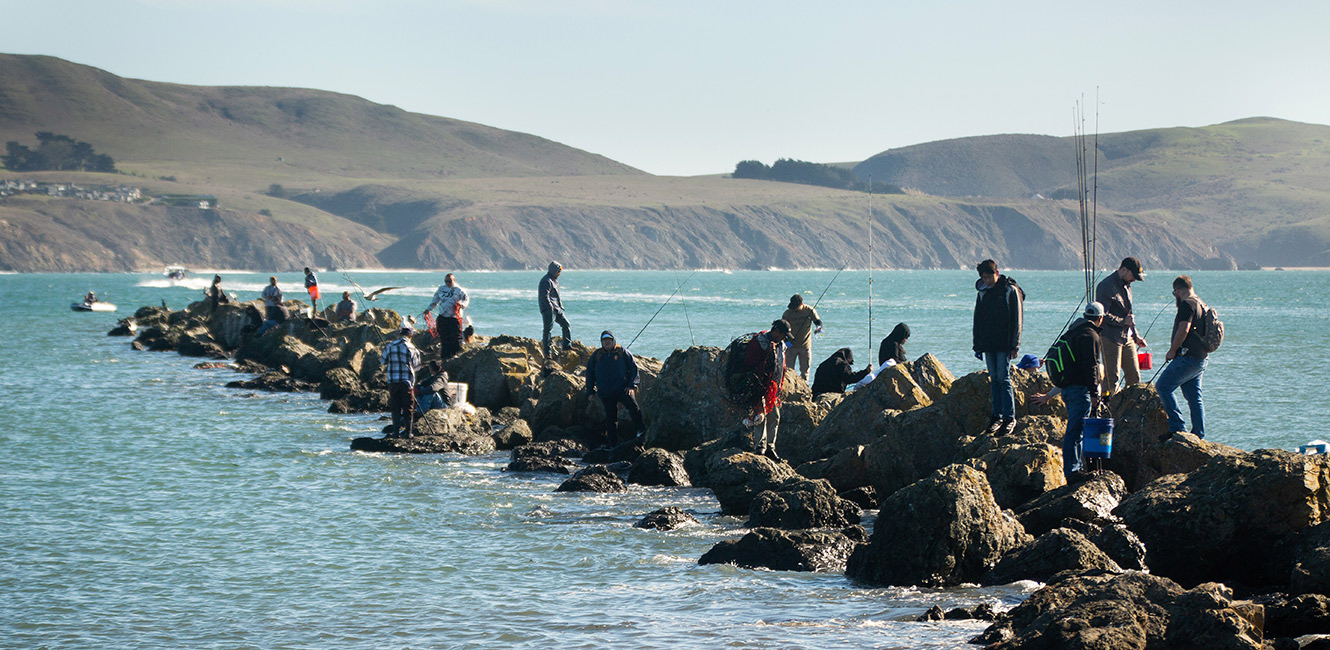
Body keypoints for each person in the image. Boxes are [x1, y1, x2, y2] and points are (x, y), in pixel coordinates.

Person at [1033, 302, 1105, 480]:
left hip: (1067, 389)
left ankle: (1077, 468)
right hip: (1080, 390)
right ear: (1100, 318)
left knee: (1076, 431)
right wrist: (1095, 394)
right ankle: (1073, 471)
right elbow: (1091, 367)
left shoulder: (1073, 332)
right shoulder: (1090, 335)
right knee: (1074, 432)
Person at [973, 259, 1025, 436]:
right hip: (988, 342)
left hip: (1004, 343)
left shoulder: (1010, 290)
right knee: (994, 379)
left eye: (989, 277)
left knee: (1003, 378)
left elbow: (1017, 319)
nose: (987, 281)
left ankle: (1009, 417)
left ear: (997, 273)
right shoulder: (982, 292)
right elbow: (977, 319)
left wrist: (1015, 345)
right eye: (984, 278)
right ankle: (997, 416)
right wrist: (977, 344)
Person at [1156, 275, 1209, 439]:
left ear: (1178, 290)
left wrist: (1173, 350)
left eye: (1175, 293)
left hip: (1187, 358)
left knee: (1163, 386)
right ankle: (1198, 433)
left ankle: (1177, 427)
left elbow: (1184, 329)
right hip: (1201, 359)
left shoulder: (1187, 304)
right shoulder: (1202, 304)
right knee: (1194, 397)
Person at [1095, 257, 1149, 395]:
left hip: (1128, 337)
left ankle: (1130, 409)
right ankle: (1106, 410)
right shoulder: (1105, 286)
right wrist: (1122, 321)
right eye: (1133, 276)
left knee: (1134, 377)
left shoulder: (1127, 285)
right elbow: (1102, 315)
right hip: (1110, 337)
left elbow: (1129, 315)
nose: (1134, 280)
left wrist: (1136, 336)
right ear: (1124, 270)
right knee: (1111, 378)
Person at [585, 330, 645, 447]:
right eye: (604, 340)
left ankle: (641, 430)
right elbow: (590, 374)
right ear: (601, 342)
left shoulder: (622, 352)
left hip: (623, 389)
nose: (607, 342)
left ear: (613, 341)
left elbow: (633, 369)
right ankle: (612, 444)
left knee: (633, 407)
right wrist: (590, 392)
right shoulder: (597, 355)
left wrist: (631, 385)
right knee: (611, 419)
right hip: (606, 392)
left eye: (609, 340)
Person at [742, 319, 790, 460]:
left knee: (774, 415)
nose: (784, 338)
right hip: (758, 384)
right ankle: (760, 447)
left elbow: (782, 366)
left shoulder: (781, 345)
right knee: (760, 416)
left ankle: (770, 447)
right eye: (783, 335)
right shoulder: (759, 342)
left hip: (773, 386)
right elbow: (750, 362)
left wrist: (780, 386)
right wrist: (768, 351)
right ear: (775, 331)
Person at [380, 324, 421, 438]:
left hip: (393, 382)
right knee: (408, 408)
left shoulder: (390, 346)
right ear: (411, 336)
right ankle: (408, 432)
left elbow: (383, 360)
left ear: (400, 334)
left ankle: (395, 432)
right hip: (406, 382)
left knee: (395, 407)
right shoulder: (412, 348)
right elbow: (417, 367)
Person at [423, 273, 469, 361]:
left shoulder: (459, 290)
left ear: (454, 280)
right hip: (443, 317)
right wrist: (428, 309)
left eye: (449, 281)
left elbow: (466, 299)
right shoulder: (441, 289)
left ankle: (454, 355)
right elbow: (435, 300)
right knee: (443, 336)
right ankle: (444, 356)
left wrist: (462, 305)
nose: (447, 283)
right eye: (446, 281)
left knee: (455, 337)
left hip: (454, 318)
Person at [780, 294, 822, 381]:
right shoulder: (787, 313)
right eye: (792, 307)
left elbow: (818, 322)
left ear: (801, 304)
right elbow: (782, 329)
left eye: (796, 307)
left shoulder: (809, 310)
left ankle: (804, 390)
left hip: (805, 346)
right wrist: (786, 343)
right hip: (791, 346)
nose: (794, 309)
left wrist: (818, 328)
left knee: (805, 372)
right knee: (789, 371)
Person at [539, 261, 572, 358]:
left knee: (566, 324)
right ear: (554, 271)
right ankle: (547, 352)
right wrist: (550, 307)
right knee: (548, 330)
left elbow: (556, 296)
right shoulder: (546, 281)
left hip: (556, 308)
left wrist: (559, 306)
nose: (560, 273)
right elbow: (544, 296)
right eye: (559, 271)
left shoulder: (554, 280)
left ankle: (567, 346)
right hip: (549, 309)